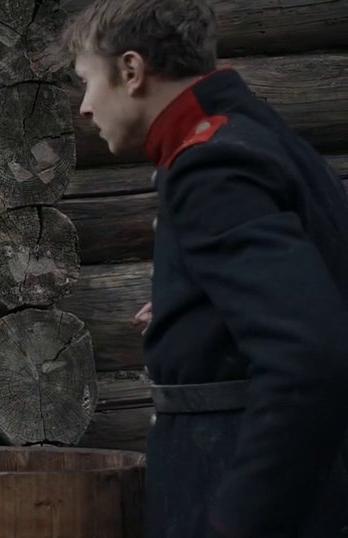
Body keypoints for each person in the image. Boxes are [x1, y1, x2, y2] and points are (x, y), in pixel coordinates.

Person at [62, 1, 348, 536]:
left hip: (238, 485)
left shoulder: (213, 164)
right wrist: (195, 314)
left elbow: (307, 358)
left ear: (131, 70)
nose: (85, 108)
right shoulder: (257, 135)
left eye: (87, 82)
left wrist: (238, 522)